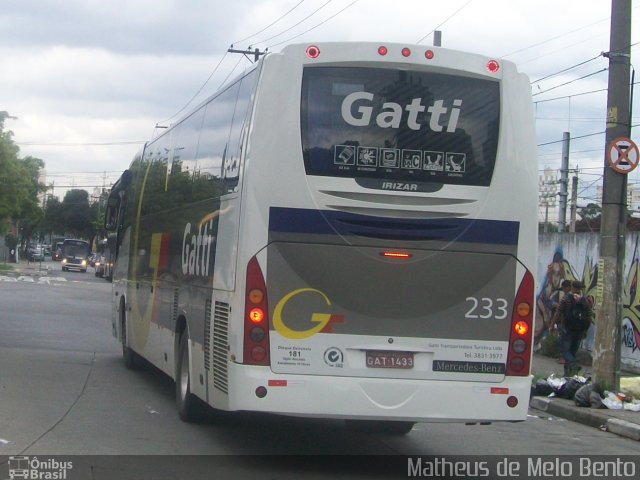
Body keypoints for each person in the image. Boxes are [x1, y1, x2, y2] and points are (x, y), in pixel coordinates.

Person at [550, 280, 593, 376]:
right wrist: (585, 330)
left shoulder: (566, 299)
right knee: (572, 352)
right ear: (580, 289)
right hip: (579, 331)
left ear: (572, 287)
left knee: (564, 351)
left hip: (567, 329)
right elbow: (589, 317)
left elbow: (558, 312)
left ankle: (573, 366)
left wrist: (551, 325)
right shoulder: (585, 301)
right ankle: (568, 375)